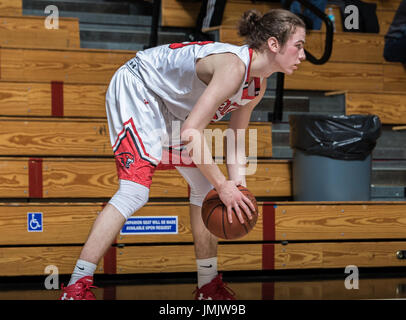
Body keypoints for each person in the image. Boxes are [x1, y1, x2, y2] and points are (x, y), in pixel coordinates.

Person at [59, 8, 306, 300]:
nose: (303, 54)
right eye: (299, 45)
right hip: (140, 87)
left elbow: (236, 137)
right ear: (274, 44)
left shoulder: (257, 84)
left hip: (172, 109)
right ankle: (75, 288)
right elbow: (191, 132)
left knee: (205, 190)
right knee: (134, 191)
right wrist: (223, 186)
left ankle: (208, 287)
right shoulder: (234, 67)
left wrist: (238, 187)